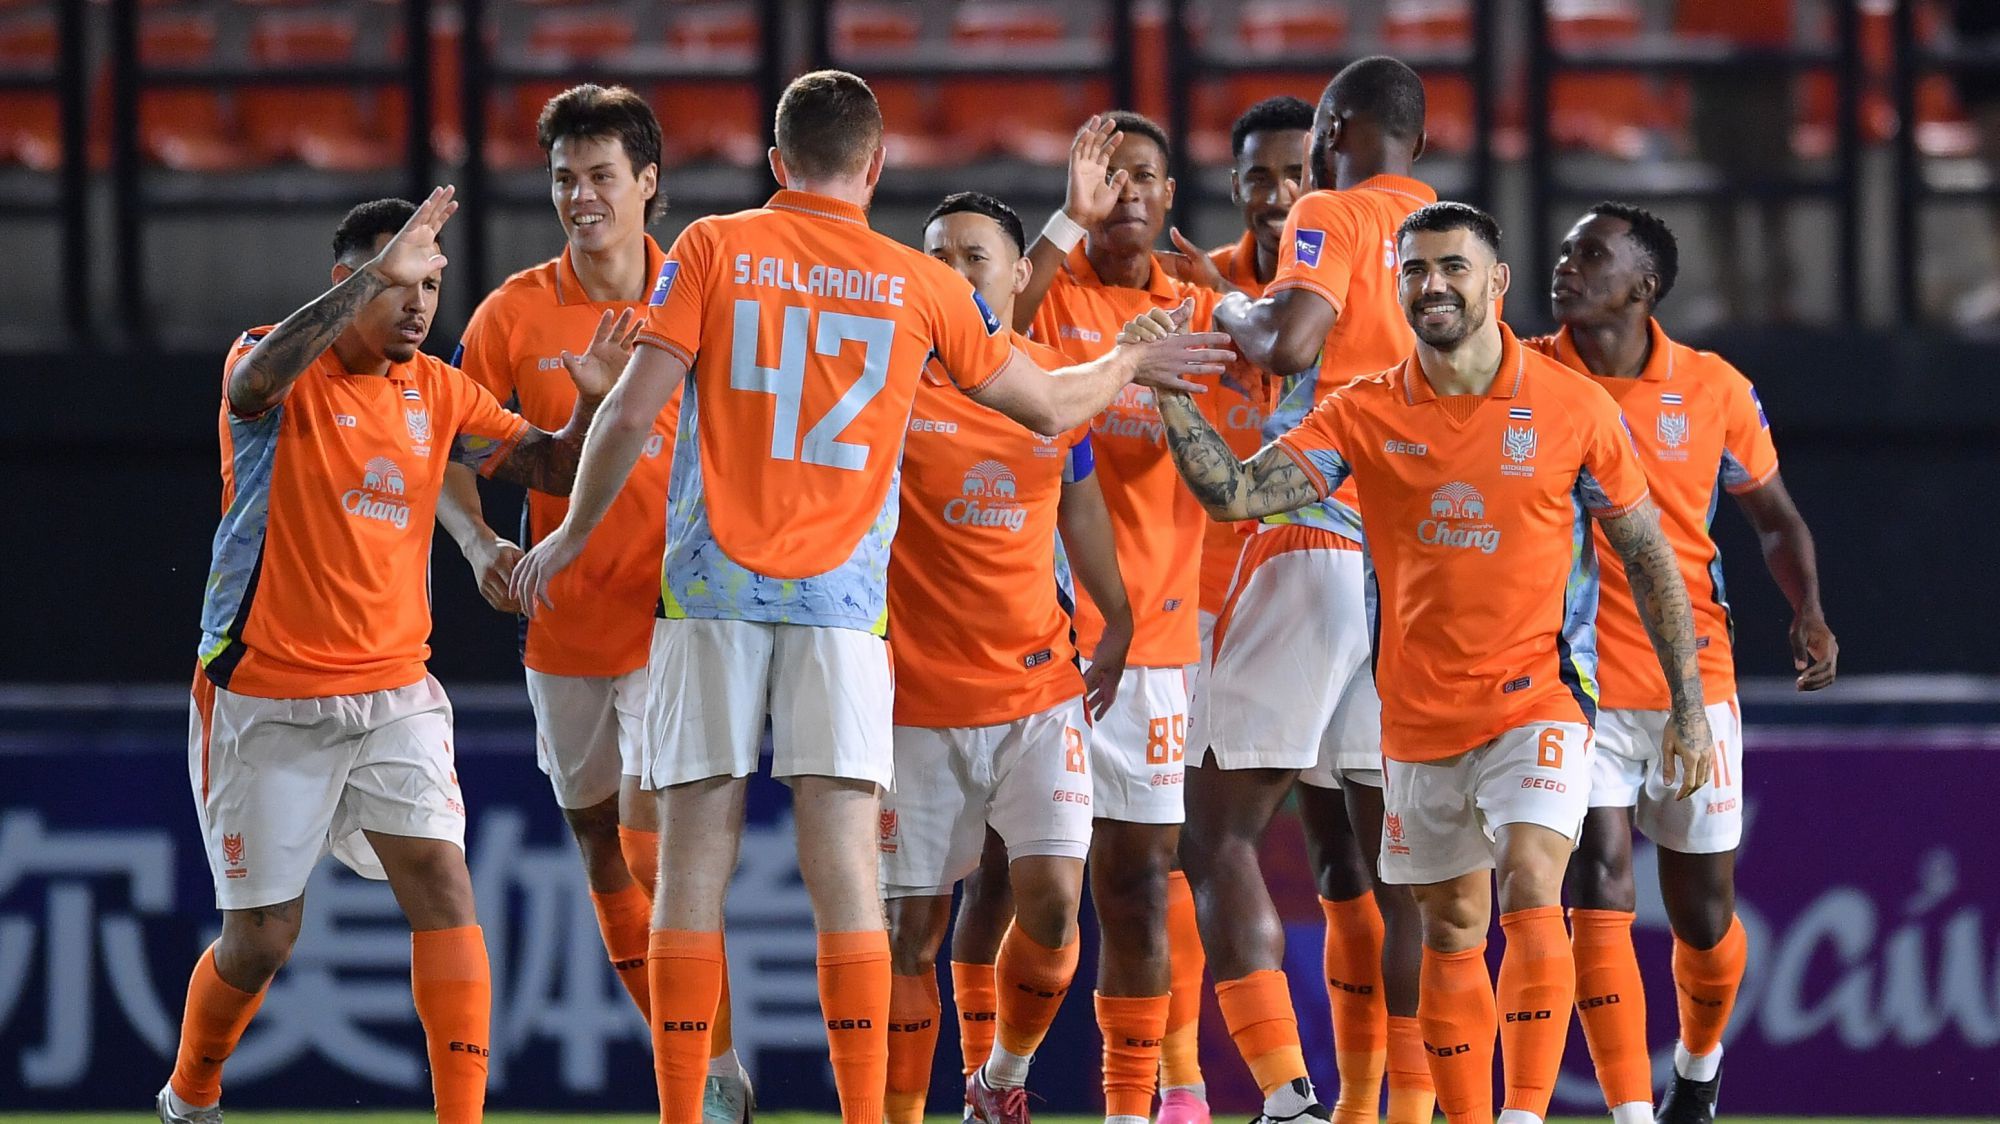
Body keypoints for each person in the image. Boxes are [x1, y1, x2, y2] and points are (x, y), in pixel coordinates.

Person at [506, 70, 1233, 1124]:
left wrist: (570, 533)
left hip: (710, 597)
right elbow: (1043, 403)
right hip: (841, 611)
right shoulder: (916, 283)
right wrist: (1125, 361)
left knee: (690, 864)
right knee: (847, 875)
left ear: (775, 163)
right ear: (877, 165)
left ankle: (683, 1109)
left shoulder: (711, 247)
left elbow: (627, 414)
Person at [1142, 201, 1714, 1124]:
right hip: (1414, 718)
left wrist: (1688, 708)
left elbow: (1649, 557)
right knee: (1451, 928)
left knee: (1530, 884)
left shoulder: (1573, 407)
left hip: (1538, 700)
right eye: (1415, 269)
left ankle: (1521, 1115)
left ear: (1498, 282)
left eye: (1453, 267)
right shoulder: (1363, 410)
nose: (1433, 284)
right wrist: (1171, 394)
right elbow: (1238, 494)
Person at [160, 188, 633, 1124]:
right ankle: (191, 1093)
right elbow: (249, 389)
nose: (420, 304)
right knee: (263, 939)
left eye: (431, 286)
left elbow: (549, 466)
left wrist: (590, 408)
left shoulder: (437, 391)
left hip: (394, 691)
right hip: (265, 694)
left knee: (444, 888)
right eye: (402, 283)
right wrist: (370, 279)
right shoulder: (270, 363)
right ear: (350, 282)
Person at [433, 84, 749, 1119]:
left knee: (659, 844)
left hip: (676, 618)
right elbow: (445, 446)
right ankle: (697, 1063)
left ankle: (708, 1078)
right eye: (564, 177)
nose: (581, 196)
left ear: (648, 183)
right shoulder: (512, 314)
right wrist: (479, 540)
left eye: (601, 175)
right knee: (602, 845)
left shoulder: (702, 297)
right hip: (563, 620)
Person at [1166, 57, 1439, 1124]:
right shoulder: (1451, 236)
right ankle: (1404, 1106)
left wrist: (1230, 304)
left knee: (1213, 833)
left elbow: (1286, 341)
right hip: (1412, 569)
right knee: (1385, 864)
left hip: (1315, 533)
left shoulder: (1336, 210)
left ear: (1333, 129)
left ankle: (1285, 1095)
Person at [1530, 202, 1838, 1124]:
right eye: (1565, 250)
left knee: (1703, 914)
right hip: (1569, 681)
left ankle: (1697, 1072)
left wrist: (1808, 611)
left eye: (1592, 253)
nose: (1567, 264)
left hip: (1688, 685)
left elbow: (1775, 519)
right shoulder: (1524, 373)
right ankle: (1631, 1111)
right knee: (1597, 882)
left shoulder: (1712, 389)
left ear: (1645, 286)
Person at [880, 190, 1137, 1124]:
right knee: (909, 935)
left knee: (1056, 908)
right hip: (915, 703)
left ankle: (998, 1081)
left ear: (1019, 274)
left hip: (1037, 692)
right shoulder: (890, 386)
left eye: (973, 256)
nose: (951, 273)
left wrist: (1119, 617)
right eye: (936, 256)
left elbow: (1082, 507)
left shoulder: (1055, 388)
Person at [1011, 109, 1239, 1124]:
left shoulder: (1197, 309)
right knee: (1016, 884)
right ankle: (991, 1080)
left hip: (1151, 641)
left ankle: (1144, 1099)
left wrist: (1231, 299)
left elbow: (1281, 370)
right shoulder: (1054, 292)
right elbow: (989, 321)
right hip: (1028, 638)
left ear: (1170, 195)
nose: (1128, 192)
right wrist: (1066, 219)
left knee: (1140, 880)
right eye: (1109, 177)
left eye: (1144, 175)